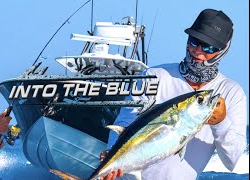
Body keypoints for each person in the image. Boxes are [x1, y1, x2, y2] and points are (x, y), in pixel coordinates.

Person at [100, 9, 247, 180]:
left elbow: (232, 161)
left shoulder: (232, 93)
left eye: (209, 47)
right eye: (194, 41)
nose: (198, 51)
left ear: (223, 50)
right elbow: (126, 123)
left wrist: (221, 123)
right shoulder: (154, 76)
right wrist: (111, 159)